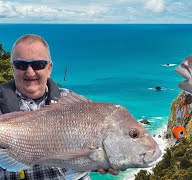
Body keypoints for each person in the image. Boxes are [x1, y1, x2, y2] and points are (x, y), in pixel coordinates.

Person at [0, 34, 119, 179]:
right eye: (21, 65)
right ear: (13, 68)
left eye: (38, 65)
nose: (30, 72)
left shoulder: (75, 104)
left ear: (49, 68)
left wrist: (98, 160)